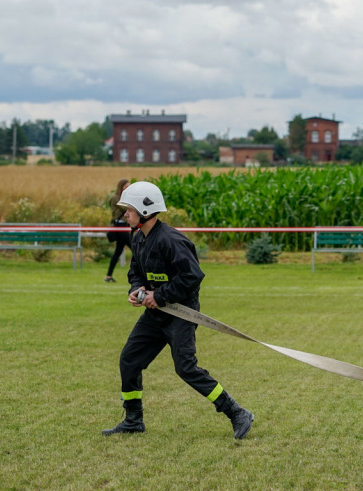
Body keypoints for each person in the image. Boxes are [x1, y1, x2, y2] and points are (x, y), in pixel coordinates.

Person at [102, 181, 254, 440]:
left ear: (145, 211)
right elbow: (135, 270)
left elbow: (192, 276)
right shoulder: (137, 238)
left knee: (185, 368)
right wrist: (137, 289)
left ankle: (237, 412)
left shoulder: (172, 241)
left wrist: (158, 296)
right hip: (155, 316)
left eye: (128, 209)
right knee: (130, 360)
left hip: (181, 315)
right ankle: (133, 420)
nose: (125, 214)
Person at [104, 179, 131, 283]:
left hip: (124, 226)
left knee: (118, 252)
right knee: (136, 249)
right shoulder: (116, 198)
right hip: (119, 226)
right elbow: (126, 208)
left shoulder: (125, 198)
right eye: (126, 186)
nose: (128, 188)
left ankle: (108, 276)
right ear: (121, 187)